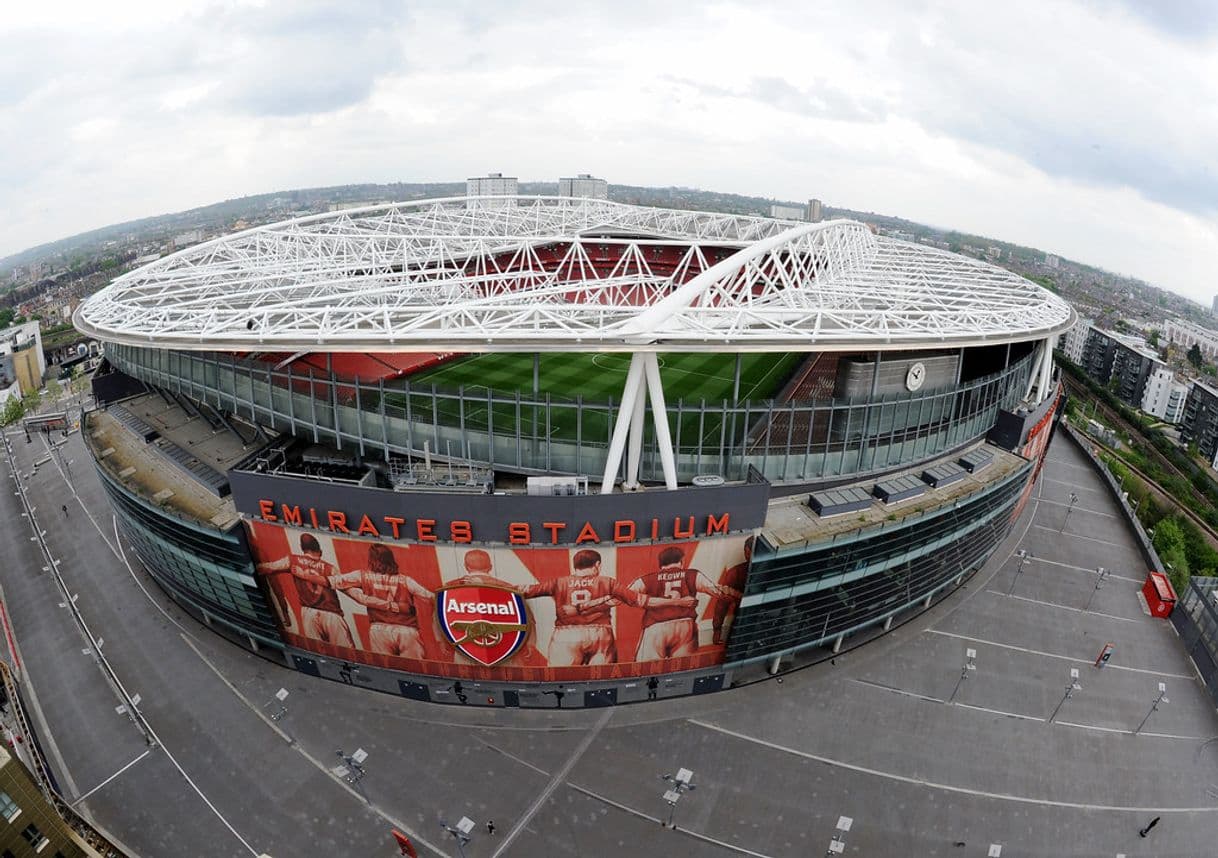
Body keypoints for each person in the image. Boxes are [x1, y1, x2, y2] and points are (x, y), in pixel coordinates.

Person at [519, 549, 694, 667]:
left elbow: (527, 591)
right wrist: (678, 602)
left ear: (575, 566)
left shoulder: (559, 583)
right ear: (597, 565)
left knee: (563, 678)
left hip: (567, 634)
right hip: (601, 635)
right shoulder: (607, 582)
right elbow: (642, 601)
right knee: (601, 679)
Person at [630, 545, 740, 661]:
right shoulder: (692, 574)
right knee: (681, 667)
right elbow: (718, 591)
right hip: (685, 627)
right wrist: (741, 596)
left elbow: (623, 594)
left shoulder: (647, 579)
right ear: (682, 560)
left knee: (648, 669)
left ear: (660, 564)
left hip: (655, 628)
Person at [330, 544, 436, 659]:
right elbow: (430, 597)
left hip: (378, 629)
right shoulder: (406, 580)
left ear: (371, 560)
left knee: (386, 669)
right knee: (415, 670)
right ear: (391, 559)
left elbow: (334, 582)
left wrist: (362, 598)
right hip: (407, 630)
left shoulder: (362, 576)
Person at [256, 533, 355, 647]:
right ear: (320, 551)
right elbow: (347, 588)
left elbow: (268, 568)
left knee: (317, 650)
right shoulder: (330, 568)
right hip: (332, 615)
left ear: (302, 548)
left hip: (308, 613)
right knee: (347, 651)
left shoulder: (292, 560)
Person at [712, 536, 753, 645]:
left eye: (750, 552)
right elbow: (722, 602)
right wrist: (717, 629)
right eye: (746, 552)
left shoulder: (769, 569)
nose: (747, 555)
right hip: (741, 618)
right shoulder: (735, 573)